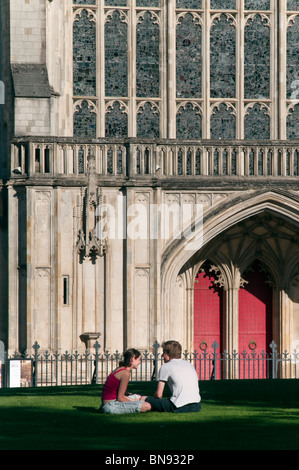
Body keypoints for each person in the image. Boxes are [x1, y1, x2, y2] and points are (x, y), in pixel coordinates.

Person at [145, 340, 201, 413]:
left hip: (179, 406)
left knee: (145, 399)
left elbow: (159, 395)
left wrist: (154, 401)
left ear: (167, 353)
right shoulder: (189, 364)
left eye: (163, 353)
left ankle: (131, 399)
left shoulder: (166, 366)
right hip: (196, 406)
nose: (162, 356)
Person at [100, 348, 151, 414]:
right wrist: (135, 401)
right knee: (147, 406)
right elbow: (120, 398)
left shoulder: (120, 369)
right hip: (111, 405)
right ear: (132, 359)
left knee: (139, 397)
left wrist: (136, 399)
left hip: (109, 403)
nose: (140, 362)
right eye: (139, 360)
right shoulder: (125, 373)